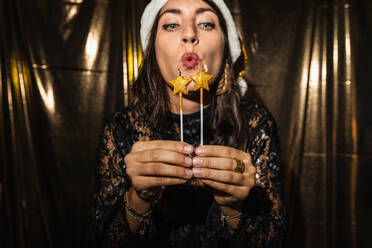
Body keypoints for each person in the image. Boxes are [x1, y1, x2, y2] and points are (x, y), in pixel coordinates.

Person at [85, 0, 286, 247]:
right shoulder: (121, 128)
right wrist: (139, 199)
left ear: (225, 48)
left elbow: (274, 240)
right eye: (171, 25)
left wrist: (234, 207)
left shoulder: (256, 124)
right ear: (152, 50)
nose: (189, 34)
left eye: (205, 23)